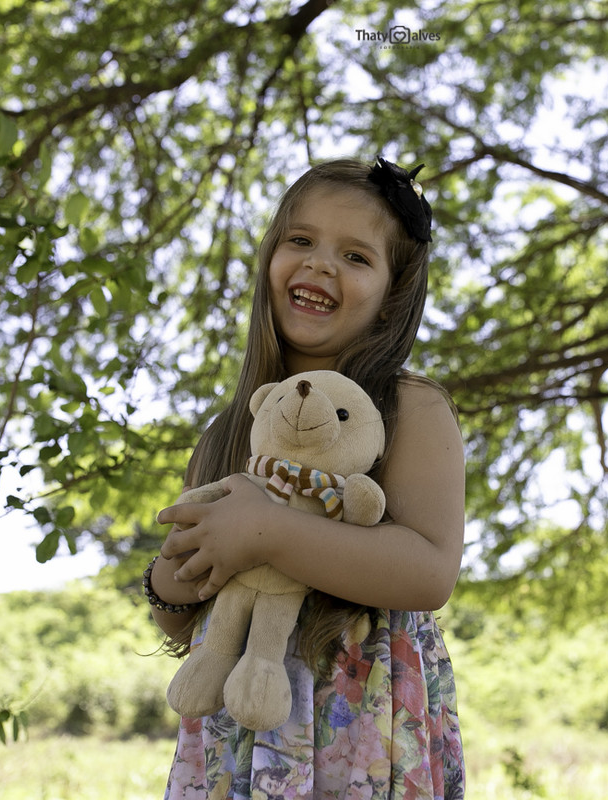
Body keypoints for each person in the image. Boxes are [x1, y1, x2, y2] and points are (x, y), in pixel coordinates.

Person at [144, 156, 466, 800]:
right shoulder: (229, 433)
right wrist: (168, 584)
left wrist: (266, 533)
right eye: (301, 241)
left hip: (361, 736)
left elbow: (429, 571)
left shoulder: (411, 409)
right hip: (237, 741)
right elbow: (187, 617)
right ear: (270, 263)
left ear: (389, 300)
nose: (321, 263)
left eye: (356, 256)